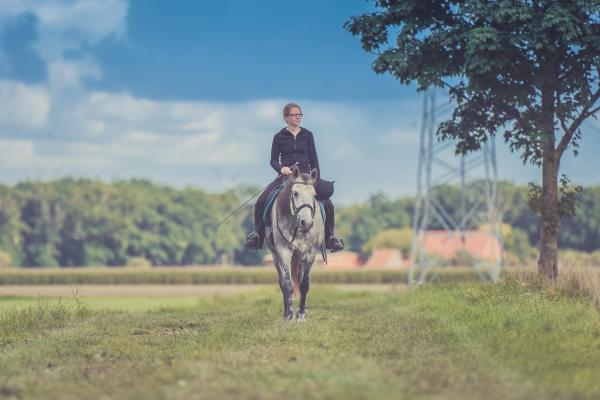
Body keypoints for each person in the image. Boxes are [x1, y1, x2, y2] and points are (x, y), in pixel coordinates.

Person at [245, 103, 345, 252]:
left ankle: (330, 237)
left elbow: (314, 159)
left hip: (306, 177)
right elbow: (272, 160)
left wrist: (316, 179)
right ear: (286, 117)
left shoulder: (308, 135)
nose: (298, 117)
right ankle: (257, 236)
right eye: (294, 114)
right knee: (262, 199)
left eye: (300, 114)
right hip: (286, 176)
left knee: (328, 204)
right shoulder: (279, 137)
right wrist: (281, 168)